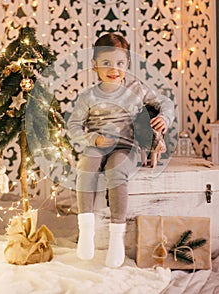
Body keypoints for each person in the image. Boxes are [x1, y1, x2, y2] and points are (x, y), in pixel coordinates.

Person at [67, 33, 175, 268]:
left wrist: (165, 118)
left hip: (127, 145)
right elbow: (73, 126)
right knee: (86, 166)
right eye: (106, 63)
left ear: (127, 64)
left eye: (119, 63)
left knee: (116, 170)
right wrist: (93, 139)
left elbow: (164, 103)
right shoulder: (89, 96)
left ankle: (117, 236)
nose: (113, 69)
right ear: (95, 66)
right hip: (98, 144)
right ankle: (86, 228)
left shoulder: (136, 88)